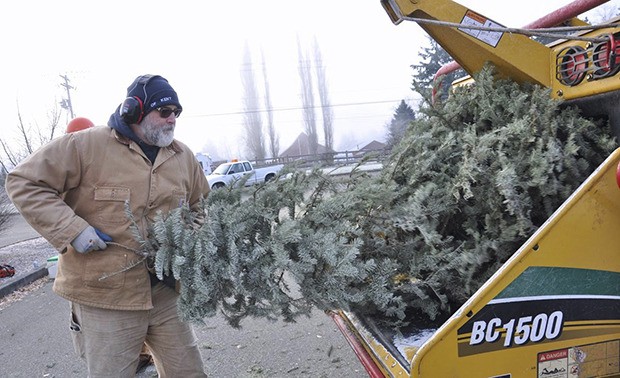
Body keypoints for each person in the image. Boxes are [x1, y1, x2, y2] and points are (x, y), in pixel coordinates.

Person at [5, 74, 209, 377]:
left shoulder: (182, 157)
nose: (172, 119)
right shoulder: (84, 147)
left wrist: (189, 242)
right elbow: (24, 182)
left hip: (166, 293)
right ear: (134, 110)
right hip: (105, 297)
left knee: (189, 372)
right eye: (164, 112)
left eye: (176, 113)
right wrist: (73, 230)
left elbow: (201, 207)